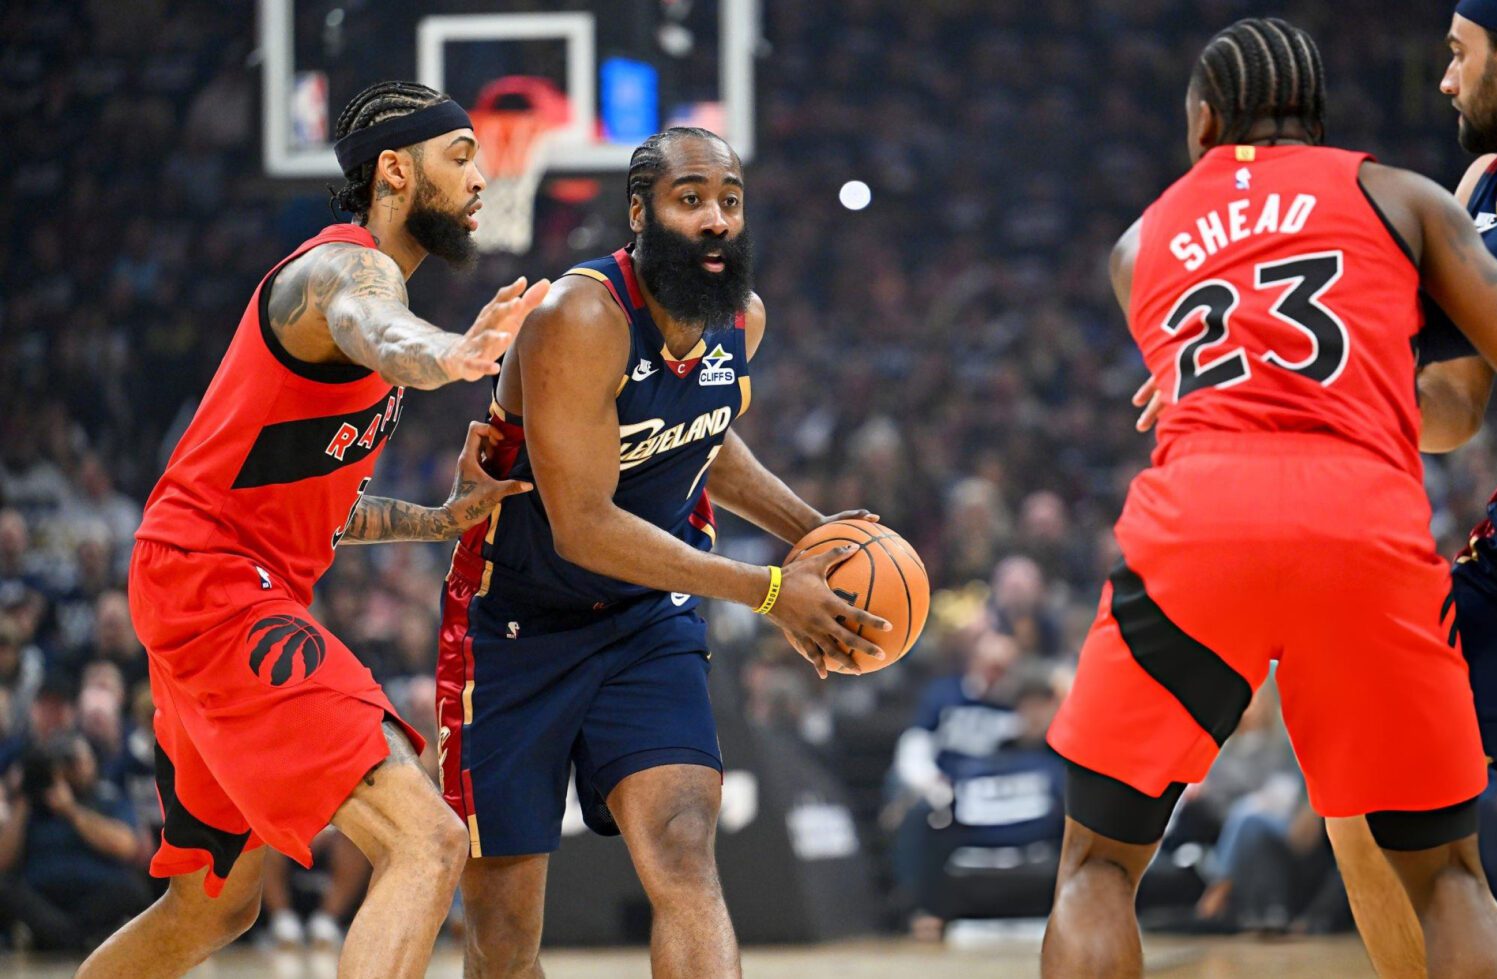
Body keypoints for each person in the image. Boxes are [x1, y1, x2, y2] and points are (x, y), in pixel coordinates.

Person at [1041, 16, 1497, 977]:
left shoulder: (1137, 243)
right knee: (1448, 874)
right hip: (1360, 524)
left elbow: (1230, 354)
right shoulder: (1402, 195)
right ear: (1317, 121)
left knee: (1096, 865)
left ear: (1199, 125)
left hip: (1196, 526)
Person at [76, 80, 549, 979]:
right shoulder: (342, 268)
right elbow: (371, 320)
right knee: (428, 841)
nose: (483, 178)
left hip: (204, 577)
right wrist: (445, 355)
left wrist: (440, 518)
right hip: (215, 583)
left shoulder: (366, 313)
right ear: (397, 172)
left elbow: (319, 514)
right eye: (461, 157)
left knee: (211, 907)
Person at [437, 127, 891, 979]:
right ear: (639, 212)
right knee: (503, 933)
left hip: (648, 622)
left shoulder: (739, 319)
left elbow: (707, 440)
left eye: (730, 199)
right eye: (692, 199)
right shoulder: (579, 318)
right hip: (514, 627)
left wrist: (817, 532)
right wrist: (767, 590)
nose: (717, 218)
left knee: (685, 853)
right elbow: (583, 522)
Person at [1281, 2, 1497, 974]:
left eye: (1456, 58)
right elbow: (1454, 411)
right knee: (1361, 772)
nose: (1441, 82)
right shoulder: (1481, 189)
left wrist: (1297, 351)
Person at [0, 731, 150, 951]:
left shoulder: (106, 797)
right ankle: (75, 937)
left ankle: (63, 936)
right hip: (43, 896)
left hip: (95, 896)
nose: (71, 769)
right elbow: (3, 861)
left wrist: (71, 810)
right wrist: (23, 799)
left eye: (76, 760)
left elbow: (126, 846)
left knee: (133, 888)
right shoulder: (30, 804)